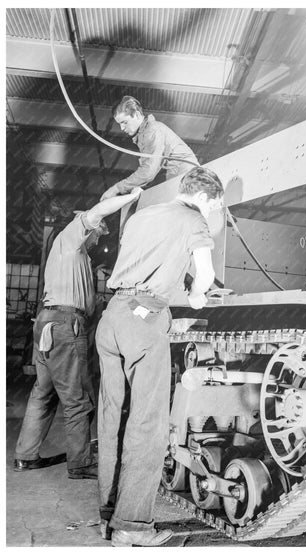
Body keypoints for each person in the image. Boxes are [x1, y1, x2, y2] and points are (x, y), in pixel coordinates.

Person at [96, 166, 224, 547]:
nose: (213, 213)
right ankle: (131, 525)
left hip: (112, 316)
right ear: (203, 198)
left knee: (111, 416)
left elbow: (146, 259)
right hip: (145, 319)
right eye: (214, 205)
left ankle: (108, 513)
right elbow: (204, 274)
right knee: (148, 424)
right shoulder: (193, 219)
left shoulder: (142, 216)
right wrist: (200, 295)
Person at [14, 187, 143, 480]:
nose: (99, 237)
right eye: (99, 232)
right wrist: (131, 197)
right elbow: (96, 212)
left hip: (48, 322)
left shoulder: (78, 257)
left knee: (43, 394)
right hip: (64, 325)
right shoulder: (70, 240)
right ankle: (80, 463)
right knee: (78, 401)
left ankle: (25, 455)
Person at [100, 96, 199, 200]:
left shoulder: (152, 131)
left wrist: (116, 189)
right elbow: (153, 170)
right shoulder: (144, 134)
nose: (122, 128)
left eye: (124, 122)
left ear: (137, 114)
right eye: (119, 124)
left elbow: (148, 171)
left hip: (189, 179)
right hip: (178, 179)